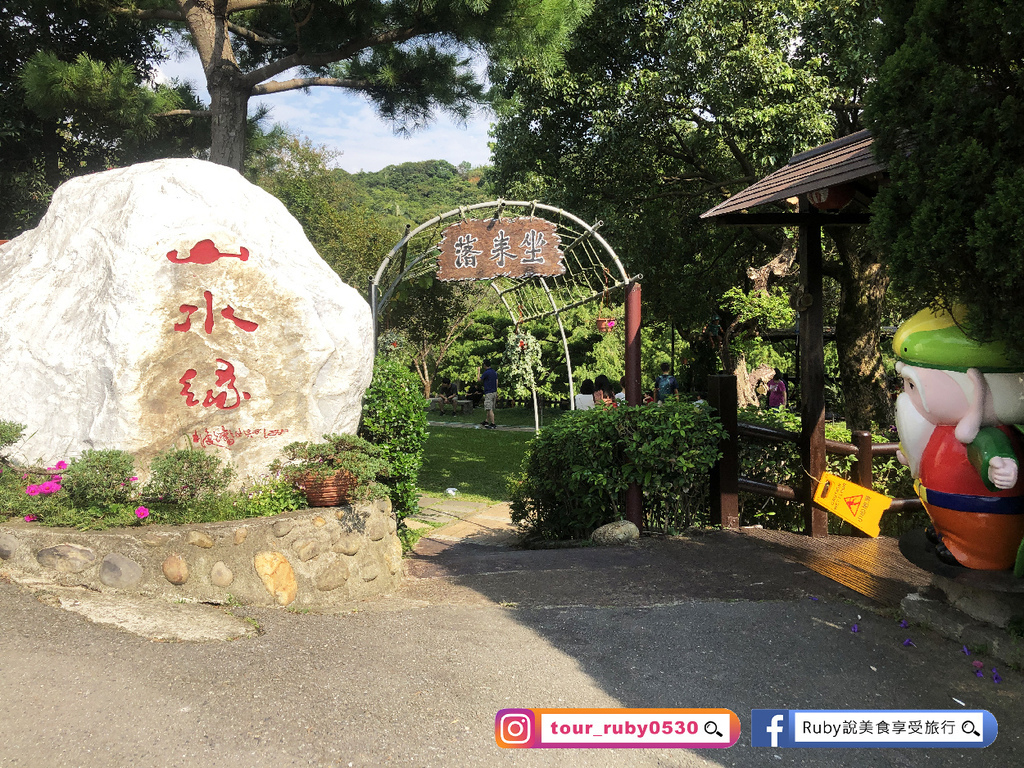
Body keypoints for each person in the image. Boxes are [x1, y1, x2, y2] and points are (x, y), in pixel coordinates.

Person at [479, 359, 498, 429]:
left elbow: (479, 380)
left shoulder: (486, 372)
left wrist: (478, 372)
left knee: (489, 408)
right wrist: (496, 391)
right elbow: (496, 381)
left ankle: (493, 423)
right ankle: (486, 421)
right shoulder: (494, 372)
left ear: (484, 365)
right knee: (489, 407)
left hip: (489, 392)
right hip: (494, 392)